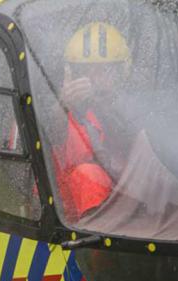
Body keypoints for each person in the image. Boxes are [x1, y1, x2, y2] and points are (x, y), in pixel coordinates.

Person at [52, 21, 136, 221]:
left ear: (121, 73)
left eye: (103, 70)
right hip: (73, 223)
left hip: (128, 209)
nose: (93, 79)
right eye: (86, 71)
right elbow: (50, 134)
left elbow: (136, 144)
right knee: (88, 174)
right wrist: (62, 106)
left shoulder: (128, 108)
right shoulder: (59, 110)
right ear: (70, 74)